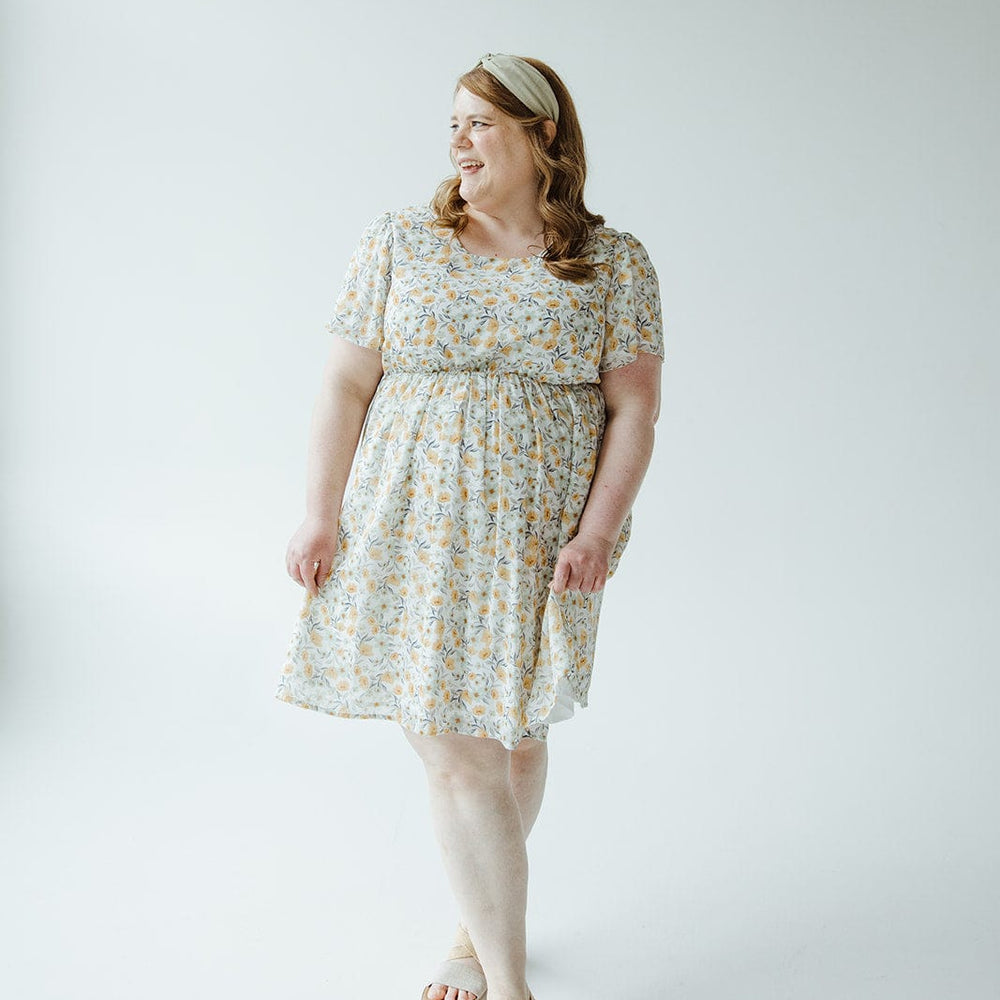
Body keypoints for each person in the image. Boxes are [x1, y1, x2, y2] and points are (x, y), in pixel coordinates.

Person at [276, 52, 664, 1000]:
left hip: (540, 542)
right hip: (410, 529)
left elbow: (636, 411)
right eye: (453, 121)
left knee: (516, 740)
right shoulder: (400, 239)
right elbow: (342, 382)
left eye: (480, 123)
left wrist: (599, 533)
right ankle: (509, 982)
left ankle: (472, 931)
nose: (458, 140)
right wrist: (319, 512)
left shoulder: (614, 261)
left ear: (542, 137)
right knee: (456, 752)